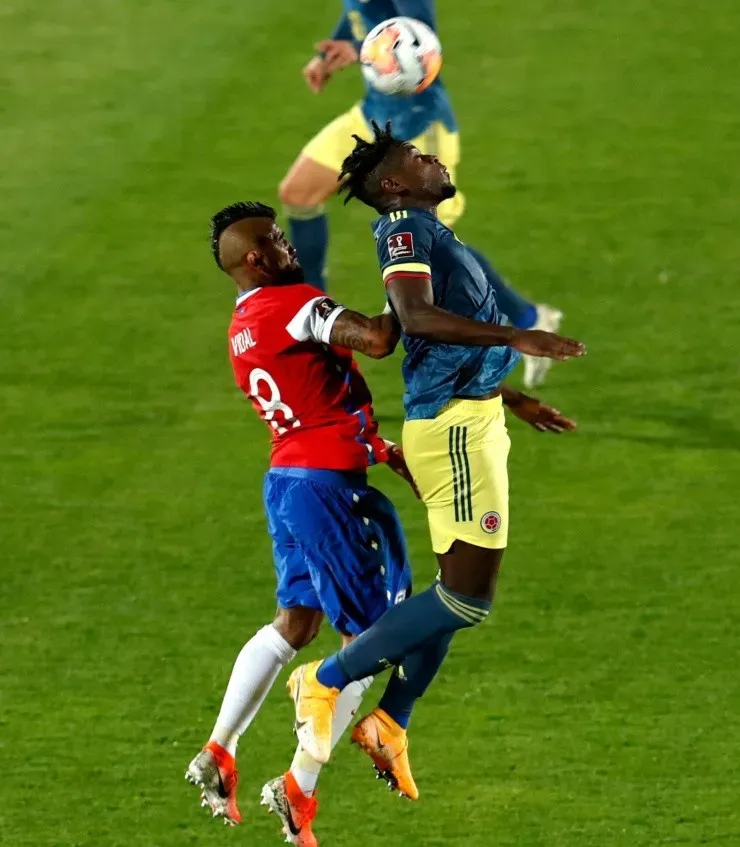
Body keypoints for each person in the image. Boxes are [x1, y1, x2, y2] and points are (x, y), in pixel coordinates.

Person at [186, 201, 577, 845]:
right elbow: (376, 338)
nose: (288, 244)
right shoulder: (294, 304)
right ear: (255, 258)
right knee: (370, 643)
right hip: (327, 490)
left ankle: (220, 747)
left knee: (296, 623)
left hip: (289, 480)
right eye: (276, 238)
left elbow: (316, 402)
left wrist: (384, 447)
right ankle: (298, 788)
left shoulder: (242, 327)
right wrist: (406, 286)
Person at [286, 124, 586, 799]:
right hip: (452, 429)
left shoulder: (427, 231)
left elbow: (439, 339)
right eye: (417, 157)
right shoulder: (403, 231)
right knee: (464, 599)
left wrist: (510, 396)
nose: (433, 159)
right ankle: (325, 679)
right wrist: (518, 334)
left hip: (472, 415)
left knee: (456, 593)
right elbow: (416, 318)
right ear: (395, 184)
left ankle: (391, 720)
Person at [279, 0, 562, 387]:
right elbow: (359, 10)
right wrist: (333, 50)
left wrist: (361, 51)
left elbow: (418, 38)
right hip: (373, 113)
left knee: (436, 245)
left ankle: (530, 319)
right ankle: (318, 329)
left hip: (418, 125)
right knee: (299, 193)